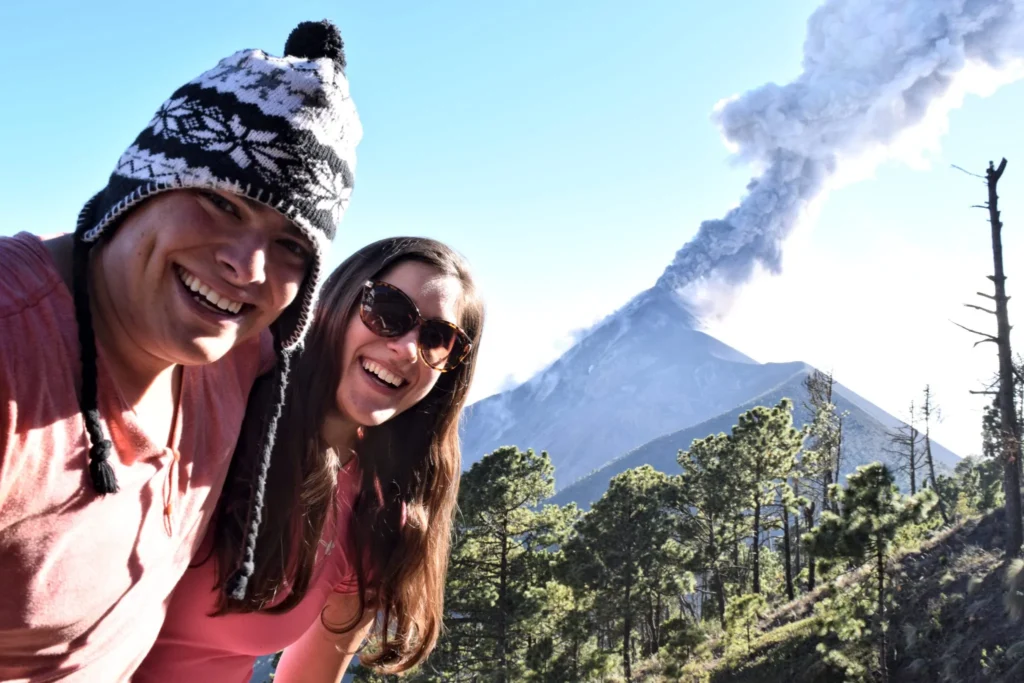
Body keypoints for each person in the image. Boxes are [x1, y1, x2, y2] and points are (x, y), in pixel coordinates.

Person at [0, 19, 362, 682]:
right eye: (220, 202)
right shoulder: (14, 359)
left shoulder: (237, 354)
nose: (247, 267)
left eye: (290, 246)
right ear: (139, 187)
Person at [134, 237, 485, 682]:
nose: (408, 349)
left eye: (438, 340)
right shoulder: (224, 388)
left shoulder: (374, 514)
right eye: (389, 312)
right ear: (338, 300)